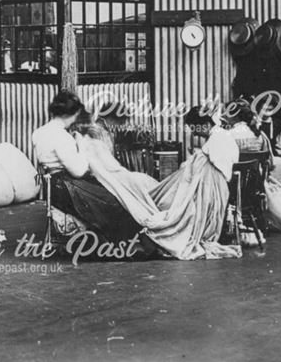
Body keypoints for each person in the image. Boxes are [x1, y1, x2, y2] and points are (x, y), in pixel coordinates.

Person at [69, 105, 241, 260]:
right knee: (141, 182)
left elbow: (201, 174)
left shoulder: (215, 141)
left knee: (144, 187)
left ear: (203, 125)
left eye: (196, 130)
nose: (196, 135)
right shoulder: (222, 137)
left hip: (207, 186)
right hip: (215, 186)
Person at [32, 91, 153, 254]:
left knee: (109, 196)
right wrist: (81, 145)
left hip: (51, 186)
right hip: (65, 186)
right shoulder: (62, 137)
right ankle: (126, 247)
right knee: (114, 202)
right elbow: (78, 171)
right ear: (71, 114)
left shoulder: (39, 133)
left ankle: (120, 243)